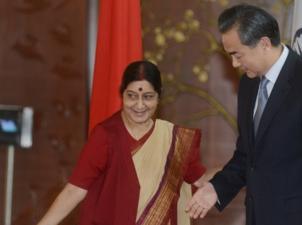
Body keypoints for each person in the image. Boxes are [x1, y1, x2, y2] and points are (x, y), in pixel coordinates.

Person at [186, 3, 302, 225]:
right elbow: (248, 156)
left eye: (237, 55)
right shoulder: (248, 85)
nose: (234, 63)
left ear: (264, 44)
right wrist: (216, 188)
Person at [37, 60, 206, 225]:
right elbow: (74, 190)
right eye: (132, 96)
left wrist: (229, 175)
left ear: (158, 96)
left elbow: (200, 181)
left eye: (147, 97)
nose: (139, 105)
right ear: (121, 93)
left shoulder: (173, 140)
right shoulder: (106, 135)